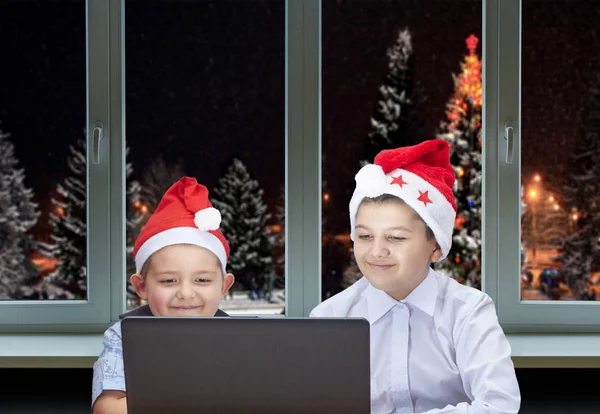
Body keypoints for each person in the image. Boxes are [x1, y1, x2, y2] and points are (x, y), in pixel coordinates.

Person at [311, 139, 520, 413]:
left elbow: (499, 405)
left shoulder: (468, 313)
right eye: (364, 236)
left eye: (396, 237)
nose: (376, 251)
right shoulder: (330, 318)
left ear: (435, 246)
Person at [91, 177, 235, 414]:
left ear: (224, 287)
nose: (187, 293)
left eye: (202, 280)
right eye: (169, 280)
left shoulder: (240, 339)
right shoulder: (123, 338)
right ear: (141, 287)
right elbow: (107, 409)